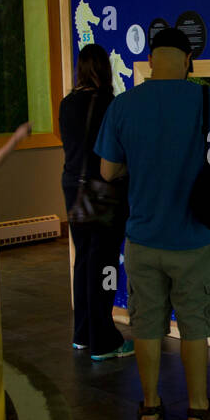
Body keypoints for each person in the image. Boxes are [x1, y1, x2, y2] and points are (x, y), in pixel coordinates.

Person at [95, 27, 210, 420]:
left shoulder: (123, 106)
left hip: (142, 238)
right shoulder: (206, 100)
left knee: (145, 325)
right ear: (188, 60)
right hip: (192, 239)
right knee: (194, 325)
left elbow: (107, 171)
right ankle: (197, 408)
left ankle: (151, 406)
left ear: (151, 60)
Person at [59, 44, 133, 360]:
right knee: (103, 263)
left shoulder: (66, 104)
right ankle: (104, 339)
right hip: (103, 192)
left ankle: (82, 333)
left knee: (84, 260)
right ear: (105, 69)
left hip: (72, 188)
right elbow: (117, 154)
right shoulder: (110, 104)